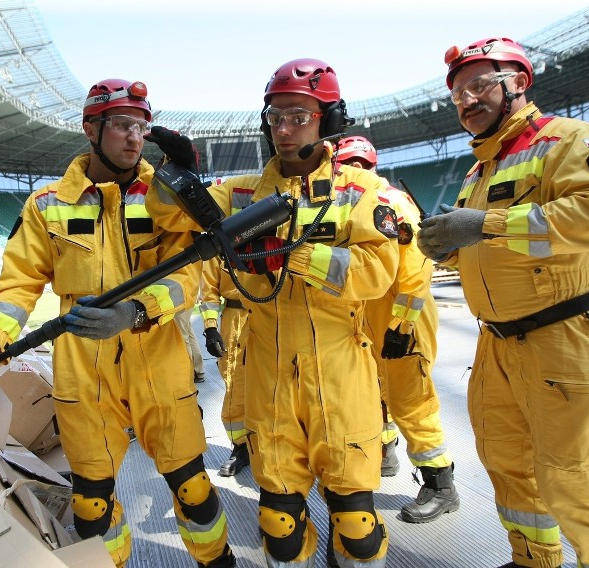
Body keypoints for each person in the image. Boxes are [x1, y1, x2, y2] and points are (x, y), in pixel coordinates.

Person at [0, 78, 235, 568]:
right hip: (84, 372)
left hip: (159, 364)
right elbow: (17, 287)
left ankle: (219, 562)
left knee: (191, 487)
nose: (133, 138)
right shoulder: (46, 204)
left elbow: (188, 277)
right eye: (122, 125)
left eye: (141, 127)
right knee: (92, 505)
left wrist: (134, 311)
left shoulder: (165, 198)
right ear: (90, 128)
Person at [146, 58, 399, 568]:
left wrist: (293, 255)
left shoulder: (363, 192)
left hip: (341, 367)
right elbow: (167, 212)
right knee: (279, 523)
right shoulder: (239, 193)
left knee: (356, 523)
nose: (284, 130)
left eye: (298, 116)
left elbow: (378, 270)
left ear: (326, 121)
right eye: (275, 117)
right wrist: (178, 175)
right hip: (268, 372)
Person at [418, 37, 589, 568]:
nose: (466, 100)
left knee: (580, 477)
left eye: (480, 85)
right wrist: (448, 249)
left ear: (518, 83)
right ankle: (534, 560)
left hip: (566, 338)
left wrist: (484, 224)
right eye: (458, 93)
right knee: (509, 465)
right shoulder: (478, 171)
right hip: (497, 343)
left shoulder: (570, 139)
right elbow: (486, 249)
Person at [336, 135, 460, 524]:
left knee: (411, 399)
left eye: (360, 164)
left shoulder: (392, 203)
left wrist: (401, 325)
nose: (354, 171)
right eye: (347, 165)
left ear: (371, 166)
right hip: (371, 321)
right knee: (374, 392)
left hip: (403, 319)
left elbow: (416, 270)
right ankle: (385, 452)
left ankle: (441, 484)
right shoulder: (346, 208)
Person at [199, 255, 250, 476]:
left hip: (272, 314)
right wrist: (210, 328)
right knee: (236, 384)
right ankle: (241, 447)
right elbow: (209, 289)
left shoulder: (277, 228)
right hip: (234, 320)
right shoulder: (218, 242)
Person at [176, 262, 207, 384]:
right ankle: (198, 370)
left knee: (182, 334)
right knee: (187, 330)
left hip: (181, 291)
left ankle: (188, 373)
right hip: (189, 290)